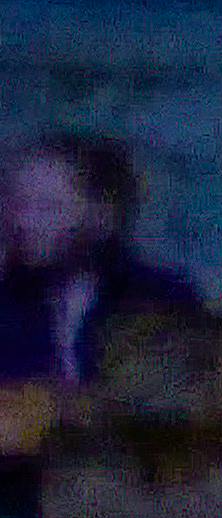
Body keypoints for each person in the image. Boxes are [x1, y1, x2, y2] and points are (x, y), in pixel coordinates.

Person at [1, 136, 205, 391]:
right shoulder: (8, 300)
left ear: (102, 214)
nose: (24, 223)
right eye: (18, 206)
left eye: (47, 208)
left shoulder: (158, 297)